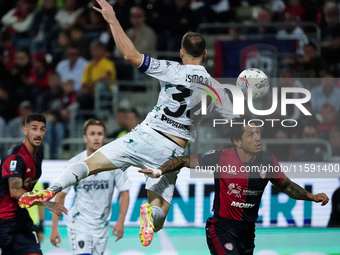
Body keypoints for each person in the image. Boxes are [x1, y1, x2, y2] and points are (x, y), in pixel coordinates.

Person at [19, 0, 235, 247]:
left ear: (181, 53)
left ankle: (54, 187)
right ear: (205, 55)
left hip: (144, 135)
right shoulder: (216, 87)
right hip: (171, 151)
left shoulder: (170, 68)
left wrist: (112, 18)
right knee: (159, 214)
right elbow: (233, 125)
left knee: (89, 165)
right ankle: (149, 214)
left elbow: (130, 55)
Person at [139, 117, 329, 254]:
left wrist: (311, 197)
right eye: (250, 134)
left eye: (257, 132)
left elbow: (287, 186)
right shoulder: (221, 158)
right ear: (237, 141)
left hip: (248, 231)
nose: (257, 138)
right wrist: (159, 171)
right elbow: (183, 160)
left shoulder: (268, 161)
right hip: (221, 228)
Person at [50, 119, 129, 254]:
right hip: (80, 223)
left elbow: (124, 193)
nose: (96, 137)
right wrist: (54, 227)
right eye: (92, 134)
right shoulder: (74, 163)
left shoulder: (115, 163)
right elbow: (61, 196)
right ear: (85, 138)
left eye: (99, 133)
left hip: (102, 226)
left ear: (104, 137)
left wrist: (121, 220)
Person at [0, 113, 67, 255]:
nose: (38, 133)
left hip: (21, 218)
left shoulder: (39, 154)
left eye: (41, 129)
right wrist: (45, 202)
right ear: (25, 131)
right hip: (3, 221)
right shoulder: (15, 157)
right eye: (34, 128)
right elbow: (15, 191)